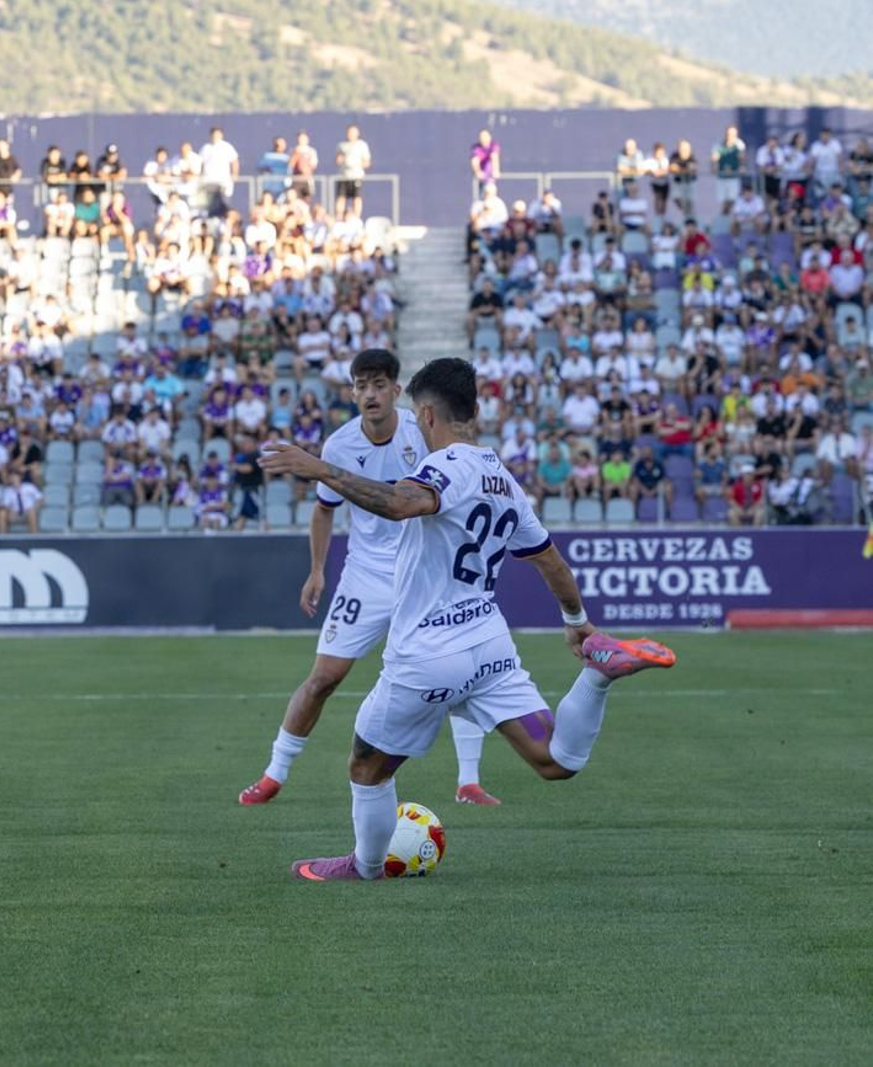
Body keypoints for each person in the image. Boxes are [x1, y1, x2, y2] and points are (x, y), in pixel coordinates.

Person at [259, 357, 676, 882]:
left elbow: (398, 504)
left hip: (430, 655)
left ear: (427, 414)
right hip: (489, 645)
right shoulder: (501, 476)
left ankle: (364, 866)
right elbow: (550, 560)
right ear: (475, 411)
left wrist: (321, 469)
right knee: (555, 760)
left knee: (366, 764)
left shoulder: (444, 468)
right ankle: (596, 674)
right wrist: (578, 623)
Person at [239, 350, 501, 809]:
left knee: (458, 668)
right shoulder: (339, 446)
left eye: (380, 384)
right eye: (362, 385)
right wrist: (318, 569)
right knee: (324, 677)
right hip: (365, 574)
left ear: (396, 391)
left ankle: (469, 781)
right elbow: (324, 510)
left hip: (423, 569)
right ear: (353, 392)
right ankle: (273, 774)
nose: (370, 394)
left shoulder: (421, 432)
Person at [335, 124, 371, 217]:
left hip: (356, 176)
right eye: (349, 132)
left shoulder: (362, 145)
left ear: (357, 133)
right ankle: (339, 218)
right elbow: (338, 160)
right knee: (341, 198)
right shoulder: (342, 145)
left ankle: (356, 219)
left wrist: (355, 163)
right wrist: (342, 159)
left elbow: (367, 162)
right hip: (344, 176)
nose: (351, 134)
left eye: (353, 132)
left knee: (357, 198)